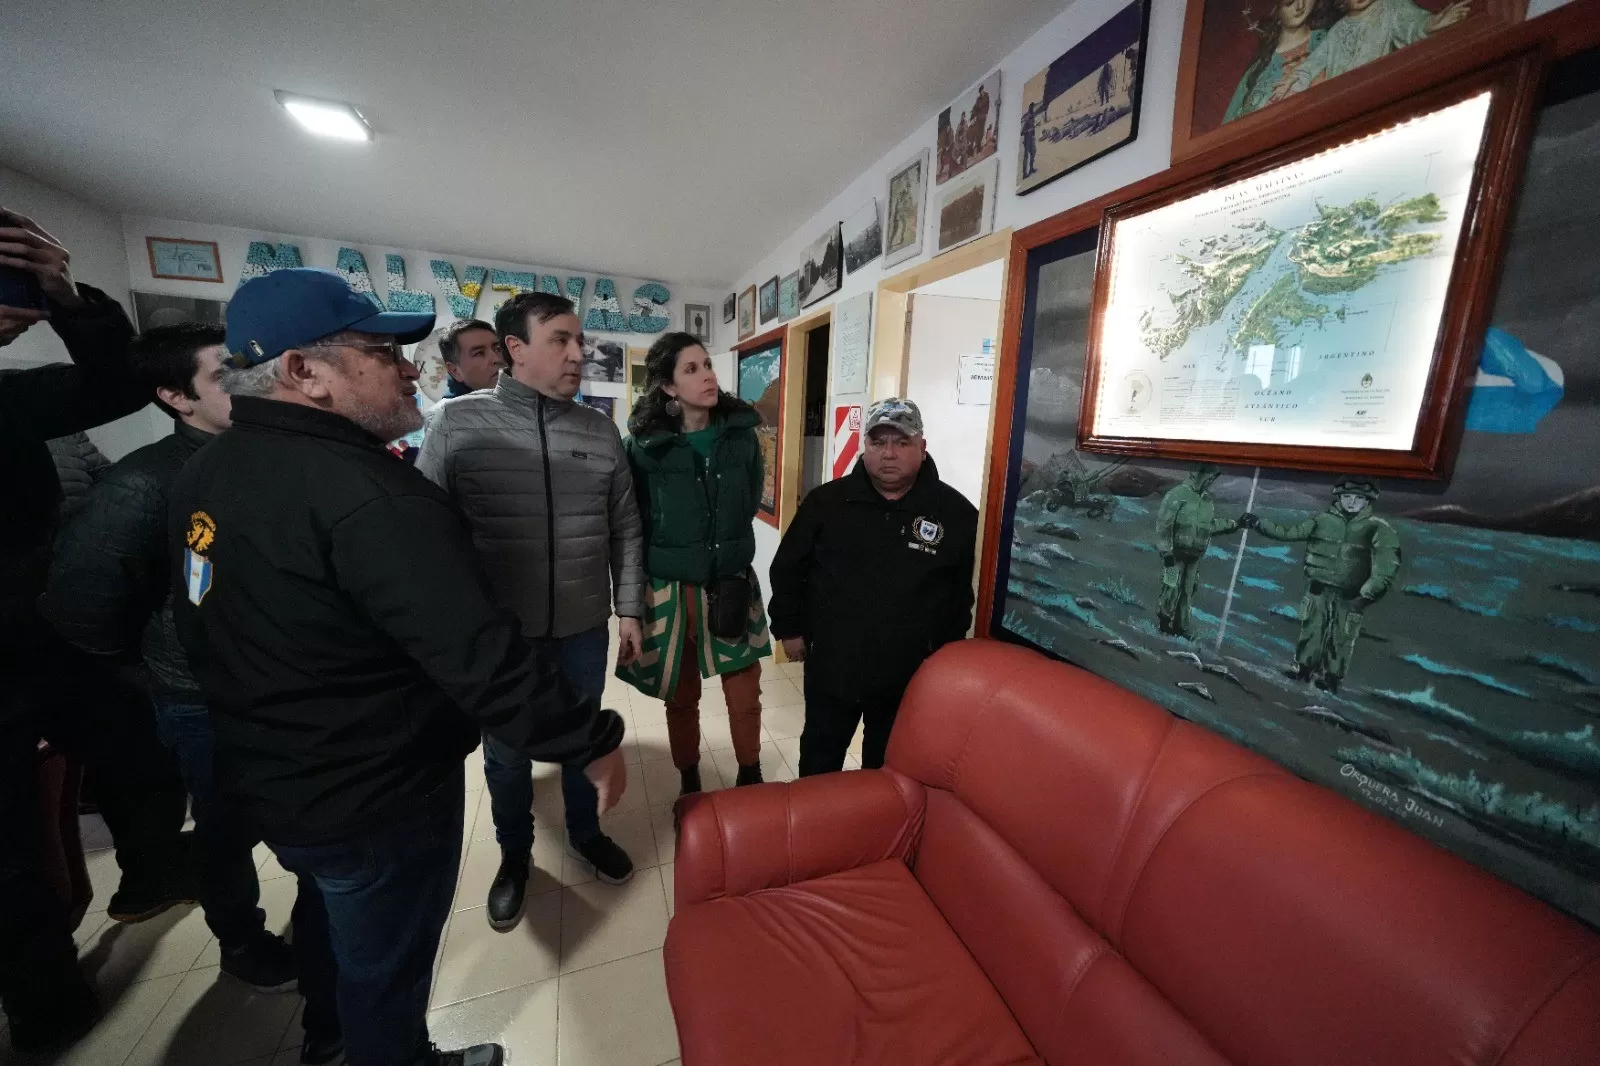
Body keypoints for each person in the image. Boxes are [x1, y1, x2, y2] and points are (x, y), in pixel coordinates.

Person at [169, 267, 628, 1066]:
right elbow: (476, 654)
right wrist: (589, 737)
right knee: (387, 968)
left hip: (285, 779)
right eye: (381, 352)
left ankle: (328, 1042)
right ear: (302, 371)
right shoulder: (376, 494)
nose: (410, 366)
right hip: (375, 792)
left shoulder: (208, 468)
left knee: (328, 926)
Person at [40, 323, 299, 997]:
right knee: (225, 827)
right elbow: (79, 605)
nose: (250, 382)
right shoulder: (144, 484)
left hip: (287, 682)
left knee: (302, 812)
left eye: (252, 366)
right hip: (202, 698)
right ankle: (241, 939)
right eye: (225, 376)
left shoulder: (276, 456)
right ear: (174, 396)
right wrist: (160, 669)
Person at [0, 208, 192, 1052]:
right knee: (8, 857)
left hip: (42, 634)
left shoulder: (10, 396)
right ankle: (46, 1005)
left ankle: (148, 873)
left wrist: (68, 299)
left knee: (136, 745)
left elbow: (119, 384)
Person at [417, 292, 643, 926]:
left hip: (581, 626)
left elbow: (625, 527)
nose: (578, 354)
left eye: (580, 340)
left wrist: (628, 608)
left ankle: (584, 834)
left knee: (580, 735)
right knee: (507, 753)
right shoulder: (458, 424)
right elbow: (426, 532)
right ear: (515, 349)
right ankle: (514, 854)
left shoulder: (599, 430)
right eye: (560, 341)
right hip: (501, 636)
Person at [769, 398, 977, 776]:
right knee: (820, 760)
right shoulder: (826, 503)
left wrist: (944, 658)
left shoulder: (956, 514)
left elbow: (959, 595)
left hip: (908, 673)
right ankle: (818, 827)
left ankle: (876, 832)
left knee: (887, 768)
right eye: (878, 443)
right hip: (834, 665)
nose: (889, 454)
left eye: (901, 442)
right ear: (865, 446)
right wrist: (789, 628)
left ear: (922, 447)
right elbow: (787, 569)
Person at [617, 332, 770, 795]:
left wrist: (719, 547)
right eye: (691, 369)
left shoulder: (741, 437)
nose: (707, 375)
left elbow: (747, 501)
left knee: (745, 692)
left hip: (731, 580)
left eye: (707, 365)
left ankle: (750, 774)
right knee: (681, 697)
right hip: (670, 589)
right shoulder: (644, 447)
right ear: (667, 387)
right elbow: (634, 519)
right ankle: (689, 778)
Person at [1242, 477, 1400, 693]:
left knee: (1342, 638)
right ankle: (1303, 670)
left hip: (1350, 596)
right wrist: (1259, 524)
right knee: (1311, 631)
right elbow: (1289, 532)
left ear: (1367, 500)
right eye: (1347, 497)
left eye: (1358, 498)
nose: (1351, 502)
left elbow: (1386, 567)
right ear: (1339, 497)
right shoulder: (1322, 521)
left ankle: (1332, 679)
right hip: (1318, 589)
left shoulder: (1379, 529)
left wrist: (1366, 595)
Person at [1290, 0, 1470, 93]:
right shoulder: (1337, 30)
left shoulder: (1390, 6)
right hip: (1340, 101)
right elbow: (1316, 59)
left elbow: (1412, 24)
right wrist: (1298, 77)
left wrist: (1430, 24)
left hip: (1376, 93)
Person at [1155, 464, 1243, 638]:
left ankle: (1181, 627)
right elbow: (1164, 525)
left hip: (1194, 557)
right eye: (1209, 476)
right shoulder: (1176, 495)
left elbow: (1209, 526)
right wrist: (1166, 553)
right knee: (1171, 586)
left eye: (1213, 477)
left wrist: (1235, 524)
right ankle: (1164, 622)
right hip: (1175, 555)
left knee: (1188, 590)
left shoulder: (1207, 501)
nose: (1211, 480)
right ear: (1199, 473)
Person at [1223, 0, 1334, 122]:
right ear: (1274, 6)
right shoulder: (1258, 71)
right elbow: (1230, 128)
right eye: (1290, 1)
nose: (1300, 6)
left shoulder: (1330, 41)